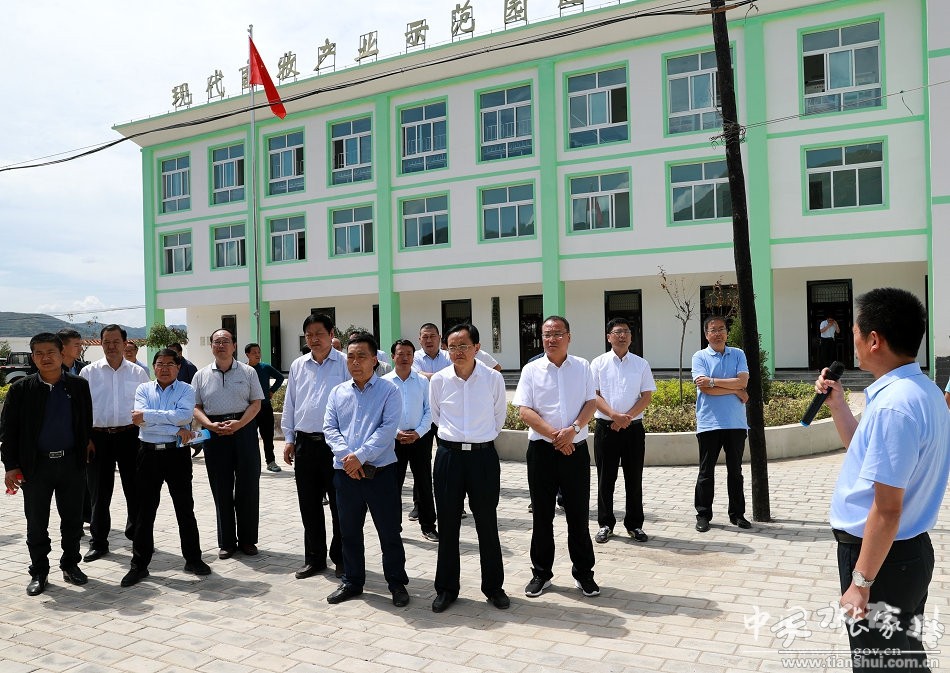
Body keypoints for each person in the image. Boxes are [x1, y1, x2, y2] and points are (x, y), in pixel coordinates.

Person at [815, 288, 949, 672]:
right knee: (904, 657)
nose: (853, 342)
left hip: (881, 561)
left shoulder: (894, 406)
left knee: (880, 664)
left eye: (856, 333)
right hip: (904, 555)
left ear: (874, 340)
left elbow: (887, 509)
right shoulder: (924, 391)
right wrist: (838, 405)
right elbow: (868, 457)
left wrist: (861, 582)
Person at [513, 315, 599, 599]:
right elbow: (524, 410)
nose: (551, 339)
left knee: (578, 515)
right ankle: (541, 574)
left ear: (569, 337)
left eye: (557, 334)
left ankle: (584, 574)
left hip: (575, 449)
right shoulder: (531, 369)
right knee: (542, 515)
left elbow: (591, 402)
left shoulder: (582, 366)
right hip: (542, 451)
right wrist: (556, 436)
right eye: (547, 335)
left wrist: (572, 431)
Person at [1, 332, 93, 596]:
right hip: (35, 467)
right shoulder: (21, 389)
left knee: (72, 520)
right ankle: (39, 571)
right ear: (33, 357)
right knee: (36, 522)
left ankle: (70, 565)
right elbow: (8, 431)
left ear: (61, 354)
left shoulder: (78, 386)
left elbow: (85, 421)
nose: (45, 358)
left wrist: (85, 449)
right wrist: (11, 466)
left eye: (50, 352)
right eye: (39, 353)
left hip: (71, 464)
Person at [324, 333, 409, 607]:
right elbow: (330, 428)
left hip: (380, 473)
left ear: (374, 360)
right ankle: (352, 581)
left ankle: (396, 583)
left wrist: (359, 457)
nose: (355, 362)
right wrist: (347, 458)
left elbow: (387, 430)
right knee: (348, 531)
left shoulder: (389, 391)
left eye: (361, 356)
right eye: (350, 356)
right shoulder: (338, 392)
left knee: (389, 532)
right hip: (345, 474)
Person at [428, 324, 509, 613]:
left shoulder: (492, 379)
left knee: (486, 523)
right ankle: (446, 588)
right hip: (449, 457)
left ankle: (494, 587)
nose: (457, 352)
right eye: (452, 347)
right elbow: (436, 417)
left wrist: (477, 439)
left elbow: (499, 417)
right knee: (448, 524)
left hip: (482, 457)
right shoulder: (439, 380)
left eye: (463, 346)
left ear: (477, 348)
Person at [121, 348, 210, 587]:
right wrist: (175, 427)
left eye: (170, 364)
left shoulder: (186, 389)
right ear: (154, 366)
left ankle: (193, 559)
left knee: (185, 508)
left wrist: (150, 417)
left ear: (178, 367)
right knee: (144, 512)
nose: (164, 368)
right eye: (160, 363)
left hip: (176, 455)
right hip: (148, 455)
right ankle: (139, 565)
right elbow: (139, 421)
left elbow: (184, 416)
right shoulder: (143, 389)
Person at [282, 314, 348, 580]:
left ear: (331, 334)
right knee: (309, 505)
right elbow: (290, 403)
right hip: (305, 444)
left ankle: (342, 558)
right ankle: (314, 558)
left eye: (319, 333)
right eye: (309, 335)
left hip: (336, 445)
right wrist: (289, 438)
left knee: (340, 506)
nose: (313, 339)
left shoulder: (345, 363)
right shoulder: (298, 365)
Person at [192, 329, 264, 559]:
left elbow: (256, 403)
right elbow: (196, 407)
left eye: (225, 341)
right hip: (214, 433)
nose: (221, 345)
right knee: (220, 488)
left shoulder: (248, 372)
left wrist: (240, 424)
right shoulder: (201, 375)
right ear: (211, 346)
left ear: (234, 345)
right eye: (216, 342)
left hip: (244, 429)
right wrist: (209, 426)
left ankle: (248, 540)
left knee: (248, 486)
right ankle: (227, 542)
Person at [80, 324, 150, 562]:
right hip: (97, 438)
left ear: (124, 343)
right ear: (101, 343)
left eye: (116, 341)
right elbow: (80, 409)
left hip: (130, 436)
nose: (111, 346)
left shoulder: (138, 373)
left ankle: (137, 536)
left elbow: (147, 405)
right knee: (99, 492)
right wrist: (86, 439)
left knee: (135, 489)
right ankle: (99, 542)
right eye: (107, 342)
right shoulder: (88, 372)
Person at [590, 318, 656, 544]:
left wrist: (625, 419)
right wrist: (614, 416)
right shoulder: (598, 363)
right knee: (605, 479)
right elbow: (594, 395)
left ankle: (635, 524)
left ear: (631, 337)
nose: (622, 335)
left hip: (633, 431)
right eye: (617, 332)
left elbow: (646, 396)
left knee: (634, 478)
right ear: (608, 337)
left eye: (626, 332)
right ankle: (605, 524)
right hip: (606, 429)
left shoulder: (641, 364)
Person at [691, 316, 751, 533]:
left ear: (727, 332)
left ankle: (737, 515)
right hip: (709, 423)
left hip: (736, 423)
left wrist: (713, 381)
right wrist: (735, 390)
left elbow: (743, 381)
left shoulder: (738, 354)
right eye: (713, 330)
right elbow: (704, 389)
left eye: (721, 329)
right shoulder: (700, 356)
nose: (718, 333)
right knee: (706, 472)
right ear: (706, 334)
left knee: (735, 471)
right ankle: (703, 515)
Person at [382, 340, 438, 543]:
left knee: (424, 483)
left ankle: (428, 526)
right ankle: (392, 527)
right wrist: (396, 433)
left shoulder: (422, 381)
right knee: (392, 485)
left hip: (419, 439)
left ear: (414, 357)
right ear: (392, 357)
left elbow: (430, 410)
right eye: (400, 354)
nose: (405, 357)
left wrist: (419, 432)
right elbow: (381, 414)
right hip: (393, 440)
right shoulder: (384, 383)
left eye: (408, 354)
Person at [245, 342, 285, 473]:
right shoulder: (243, 369)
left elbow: (280, 377)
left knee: (268, 436)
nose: (257, 355)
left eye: (259, 352)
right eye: (254, 353)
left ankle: (271, 462)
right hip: (249, 409)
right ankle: (251, 463)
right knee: (250, 438)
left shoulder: (265, 367)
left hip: (265, 407)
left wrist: (272, 391)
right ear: (247, 355)